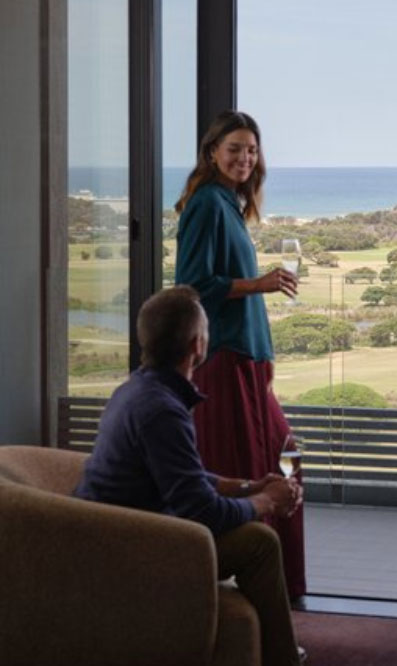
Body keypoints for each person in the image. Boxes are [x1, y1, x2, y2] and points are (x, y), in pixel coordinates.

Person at [75, 286, 305, 666]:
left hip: (114, 531)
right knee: (260, 543)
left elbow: (187, 477)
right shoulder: (162, 410)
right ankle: (282, 658)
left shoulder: (135, 392)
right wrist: (266, 502)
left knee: (254, 535)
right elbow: (202, 511)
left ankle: (276, 651)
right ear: (198, 345)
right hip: (132, 546)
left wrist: (252, 486)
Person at [173, 110, 306, 599]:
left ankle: (280, 589)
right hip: (226, 362)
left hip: (247, 361)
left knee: (279, 459)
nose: (245, 157)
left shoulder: (227, 203)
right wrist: (259, 283)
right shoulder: (207, 203)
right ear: (212, 152)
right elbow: (190, 285)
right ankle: (268, 586)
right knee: (272, 463)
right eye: (234, 148)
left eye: (251, 149)